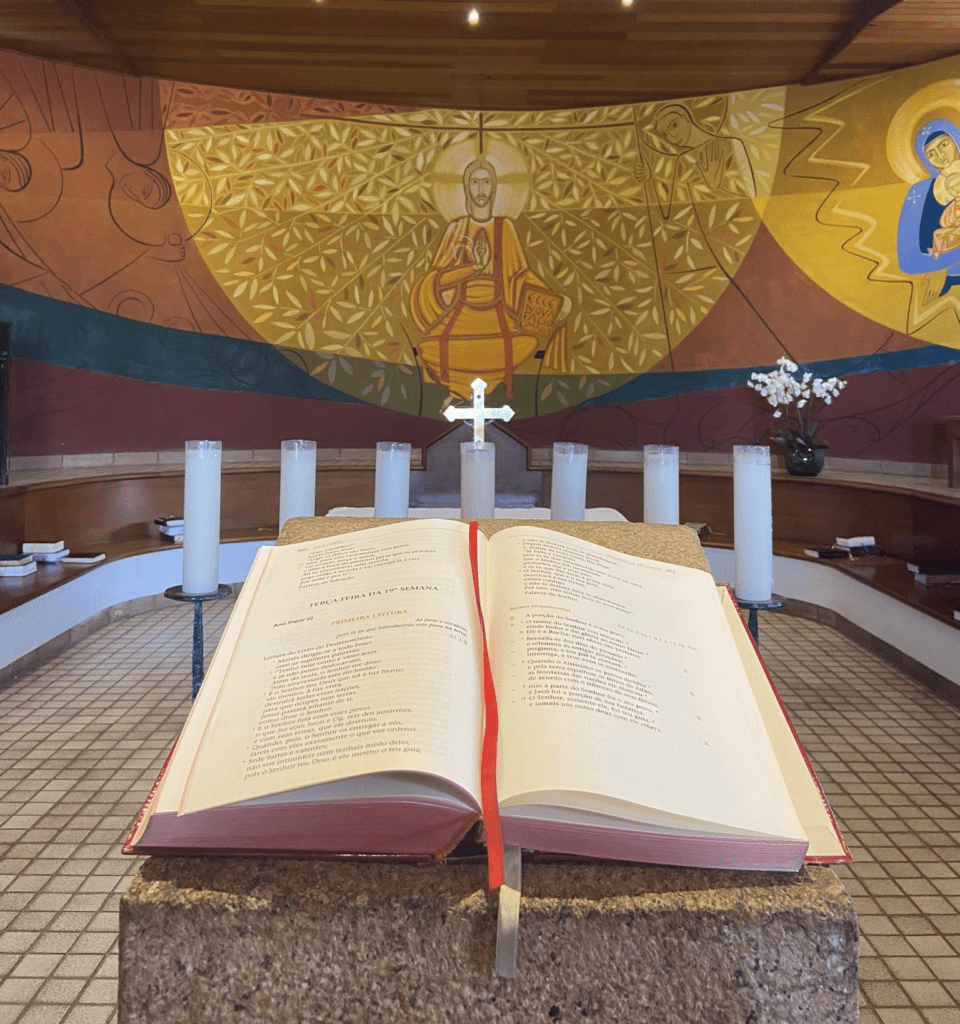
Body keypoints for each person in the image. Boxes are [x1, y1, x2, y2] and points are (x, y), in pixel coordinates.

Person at [409, 157, 569, 400]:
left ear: (494, 187)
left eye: (486, 182)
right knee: (429, 347)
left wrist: (554, 300)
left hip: (498, 316)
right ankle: (460, 392)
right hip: (461, 316)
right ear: (466, 187)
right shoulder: (457, 229)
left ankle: (469, 393)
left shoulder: (505, 228)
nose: (481, 189)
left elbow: (520, 276)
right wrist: (473, 268)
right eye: (475, 182)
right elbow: (437, 279)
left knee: (526, 343)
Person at [634, 103, 756, 210]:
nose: (672, 137)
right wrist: (651, 179)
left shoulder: (732, 144)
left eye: (674, 125)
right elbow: (673, 210)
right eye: (664, 135)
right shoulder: (682, 160)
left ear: (686, 118)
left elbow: (754, 198)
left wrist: (715, 187)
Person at [896, 120, 960, 295]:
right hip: (947, 285)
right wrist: (955, 255)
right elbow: (908, 260)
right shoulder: (919, 194)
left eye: (944, 144)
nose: (940, 155)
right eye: (931, 154)